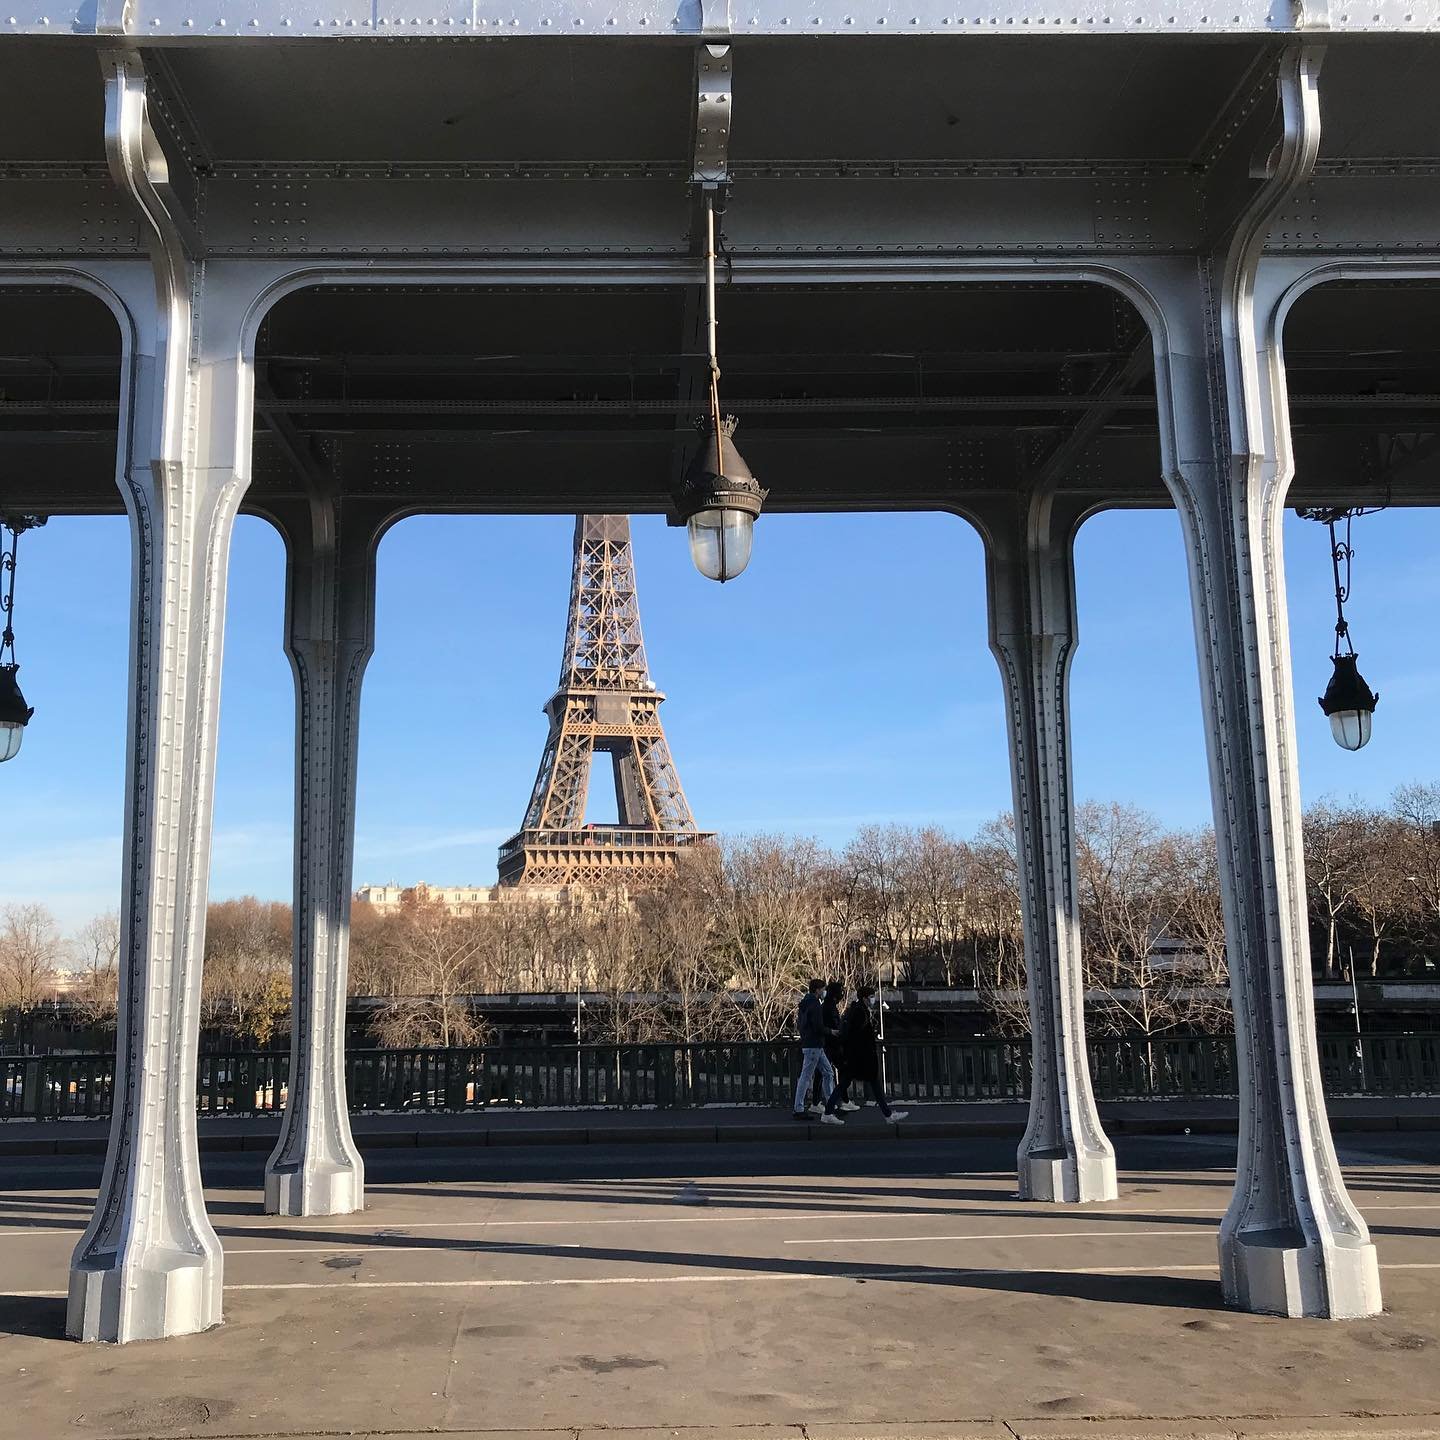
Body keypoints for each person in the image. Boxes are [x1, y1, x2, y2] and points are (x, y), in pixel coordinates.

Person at [838, 983, 908, 1123]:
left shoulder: (857, 1010)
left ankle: (888, 1114)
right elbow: (858, 1035)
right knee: (858, 1083)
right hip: (861, 1056)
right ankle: (888, 1115)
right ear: (864, 998)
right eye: (871, 996)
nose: (873, 999)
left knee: (848, 1083)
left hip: (857, 1056)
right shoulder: (860, 1012)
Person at [793, 978, 844, 1124]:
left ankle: (830, 1104)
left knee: (827, 1073)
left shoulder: (805, 1003)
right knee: (807, 1076)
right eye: (823, 989)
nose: (824, 992)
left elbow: (804, 1024)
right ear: (817, 990)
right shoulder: (815, 1005)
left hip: (811, 1044)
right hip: (815, 1044)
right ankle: (799, 1108)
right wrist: (831, 1032)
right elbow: (818, 1026)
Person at [821, 980, 860, 1113]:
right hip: (833, 1045)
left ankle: (821, 1102)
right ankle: (840, 1101)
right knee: (843, 1072)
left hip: (827, 1044)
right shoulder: (831, 1008)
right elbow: (836, 1026)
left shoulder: (825, 1006)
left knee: (823, 1074)